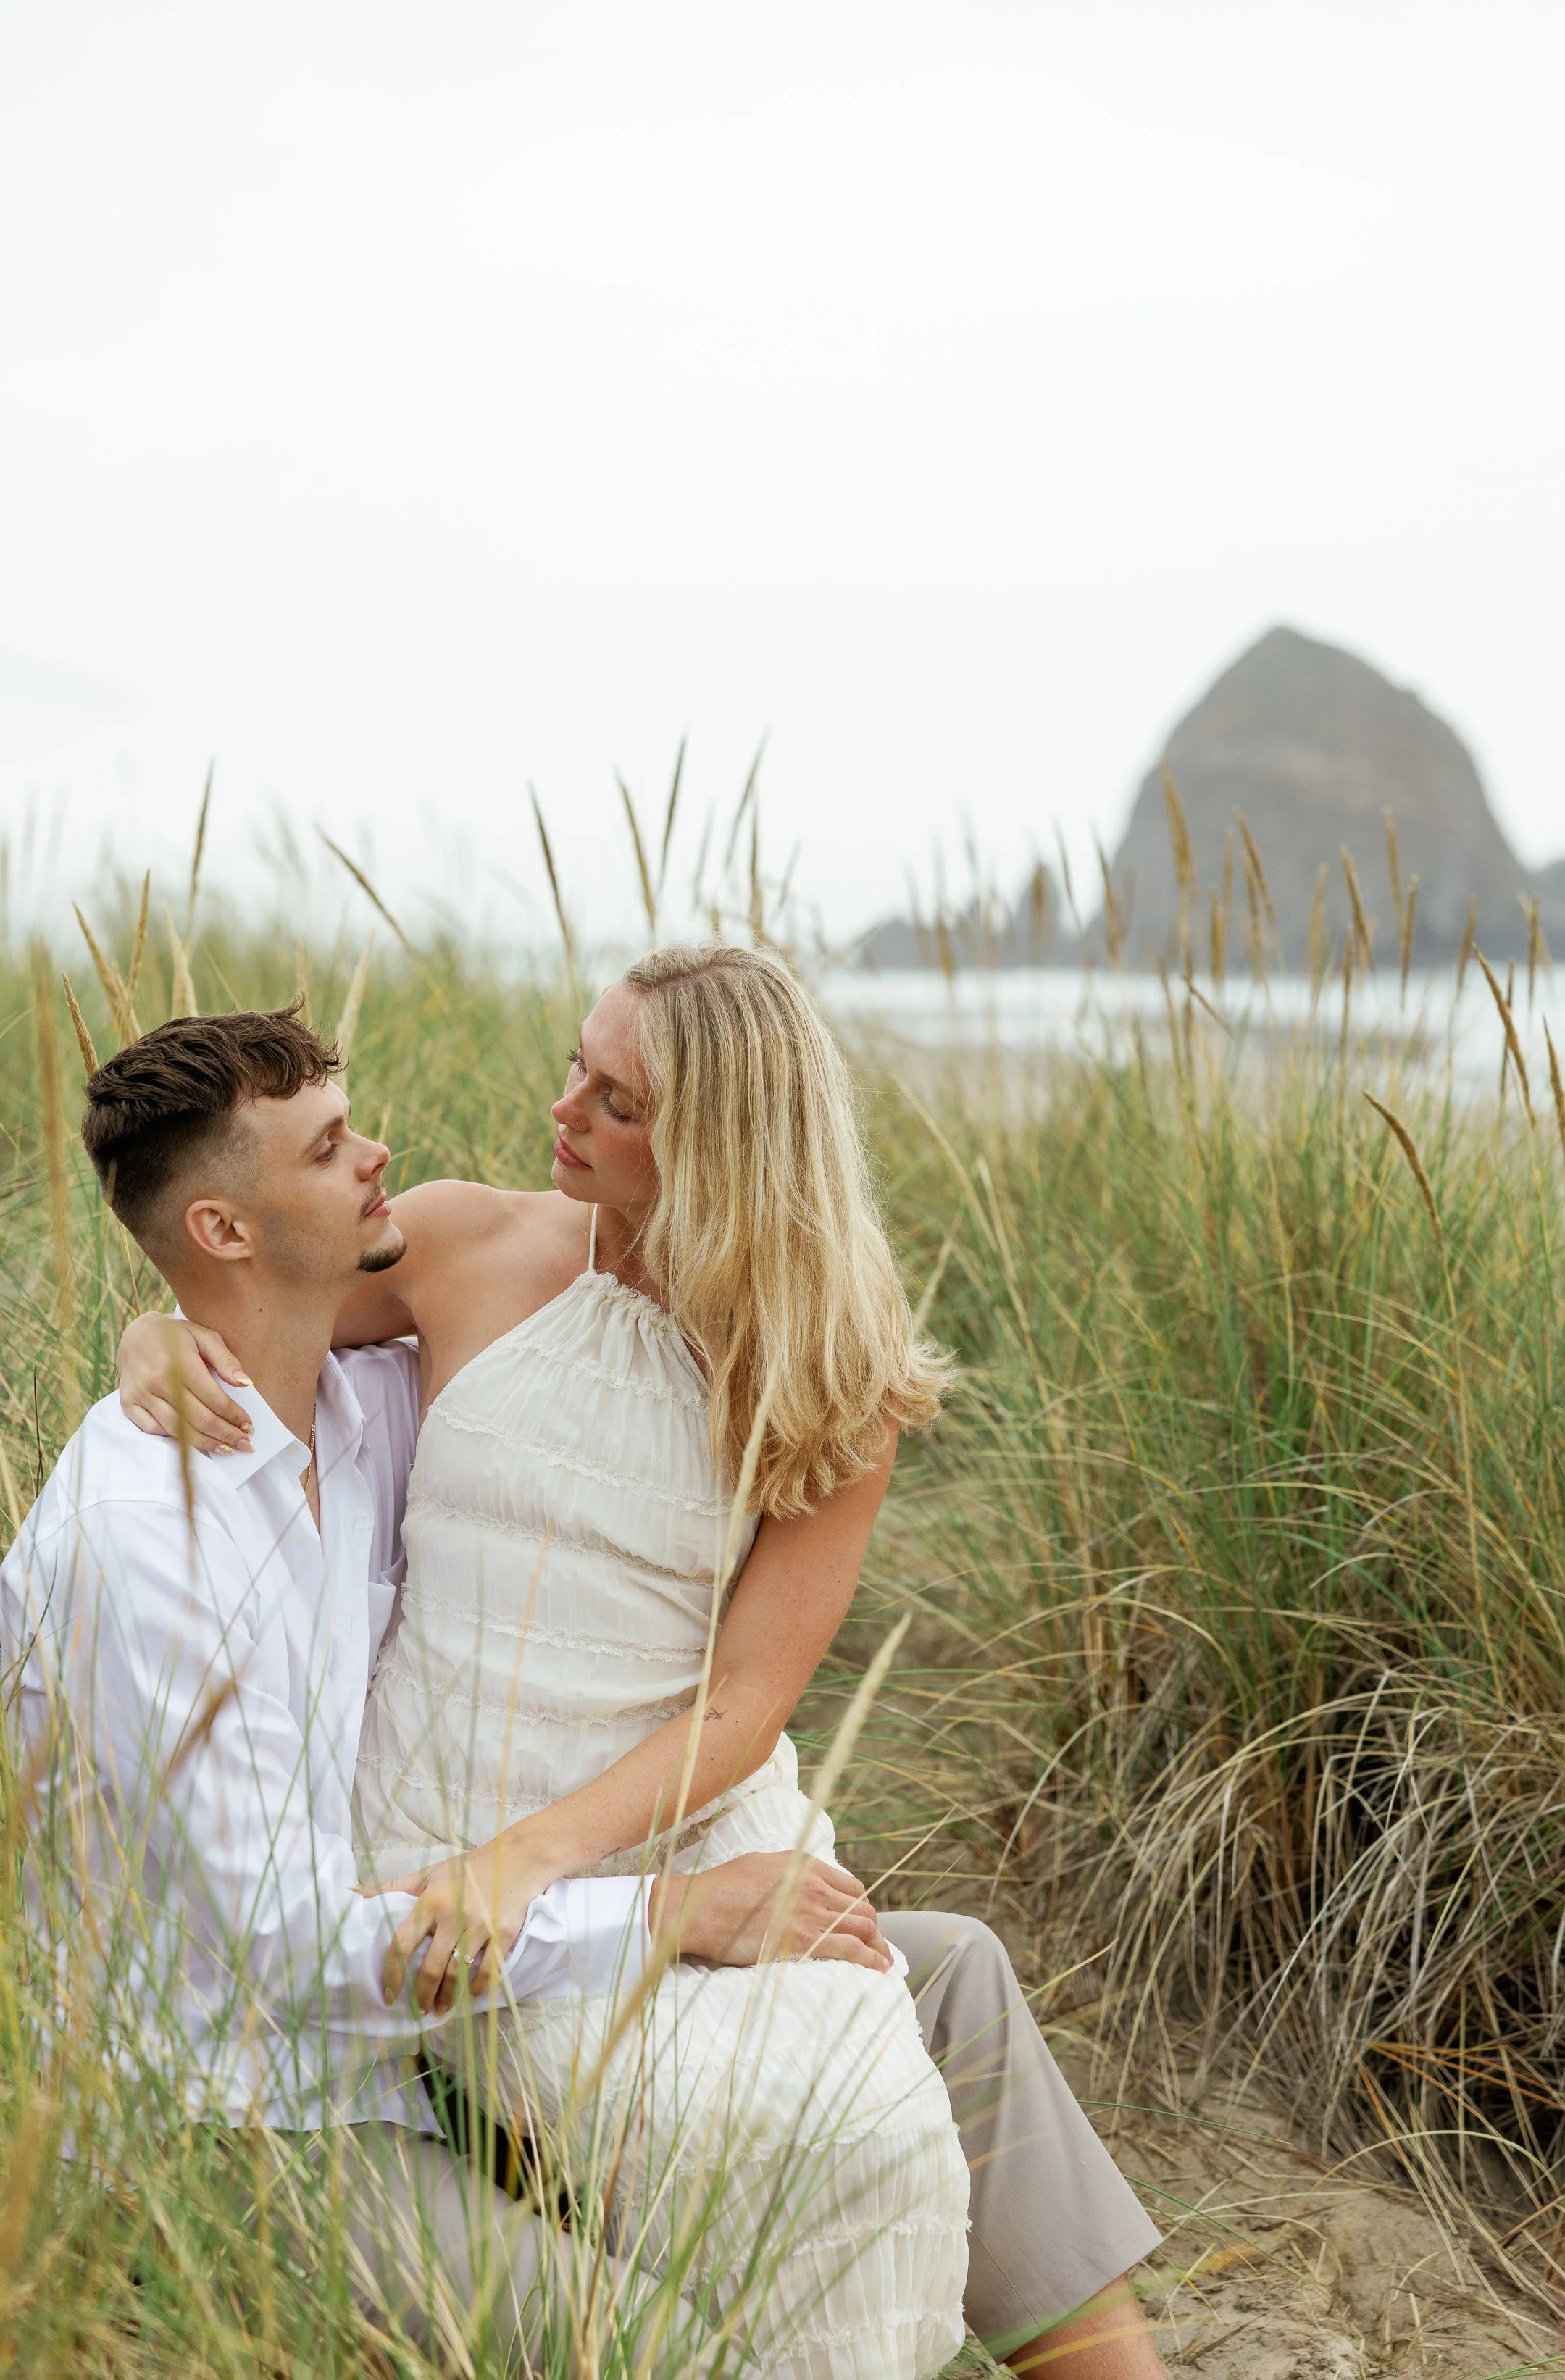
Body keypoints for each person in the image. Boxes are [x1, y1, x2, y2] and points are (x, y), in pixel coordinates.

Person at [117, 955, 1169, 2377]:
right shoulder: (456, 1244)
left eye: (617, 1101)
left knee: (876, 2090)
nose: (562, 1110)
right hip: (445, 1847)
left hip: (669, 1814)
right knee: (850, 2104)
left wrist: (552, 1855)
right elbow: (246, 1296)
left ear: (719, 1143)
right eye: (575, 1065)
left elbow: (747, 1702)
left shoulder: (826, 1363)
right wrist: (151, 1336)